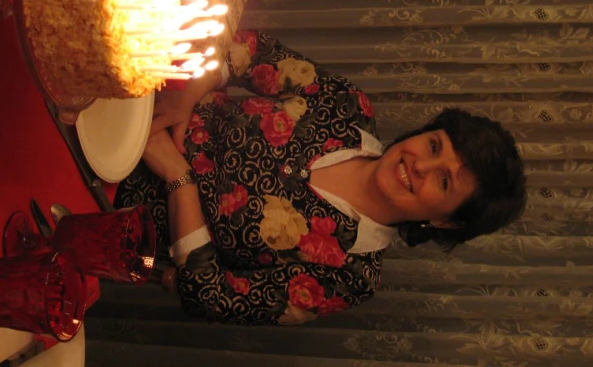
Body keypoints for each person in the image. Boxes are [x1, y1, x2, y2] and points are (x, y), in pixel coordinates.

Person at [114, 30, 527, 326]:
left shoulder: (351, 276)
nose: (420, 165)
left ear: (445, 220)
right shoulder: (347, 106)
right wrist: (188, 94)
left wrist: (177, 177)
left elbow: (209, 296)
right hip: (134, 107)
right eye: (434, 146)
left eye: (443, 182)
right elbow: (253, 51)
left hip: (113, 215)